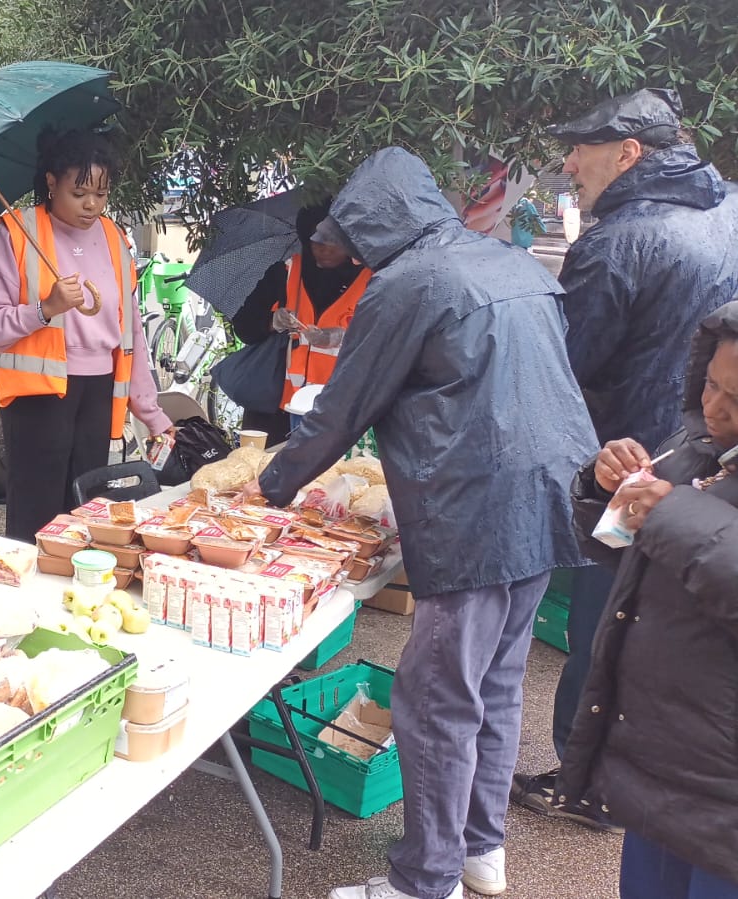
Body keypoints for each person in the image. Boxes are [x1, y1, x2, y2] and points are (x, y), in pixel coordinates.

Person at [242, 147, 595, 899]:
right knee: (495, 684)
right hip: (550, 495)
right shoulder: (516, 263)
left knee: (435, 701)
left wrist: (267, 487)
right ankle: (478, 849)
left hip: (473, 512)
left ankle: (423, 881)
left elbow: (342, 409)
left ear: (376, 225)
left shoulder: (409, 282)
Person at [512, 87, 738, 829]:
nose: (569, 162)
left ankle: (585, 783)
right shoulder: (729, 208)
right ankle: (644, 775)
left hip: (626, 466)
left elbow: (562, 361)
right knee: (679, 619)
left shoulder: (616, 240)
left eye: (581, 148)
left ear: (629, 152)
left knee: (605, 617)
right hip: (711, 456)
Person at [558, 302, 738, 899]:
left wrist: (672, 516)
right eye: (711, 384)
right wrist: (603, 488)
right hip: (662, 755)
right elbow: (623, 548)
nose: (715, 408)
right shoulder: (698, 449)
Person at [0, 128, 172, 540]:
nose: (91, 205)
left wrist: (152, 413)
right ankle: (27, 599)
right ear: (50, 182)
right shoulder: (16, 233)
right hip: (38, 397)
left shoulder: (115, 238)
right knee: (36, 517)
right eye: (79, 193)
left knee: (87, 512)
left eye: (101, 192)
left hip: (98, 394)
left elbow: (130, 333)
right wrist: (44, 309)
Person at [232, 201, 373, 443]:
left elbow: (387, 342)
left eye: (332, 242)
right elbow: (244, 326)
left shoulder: (373, 281)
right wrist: (272, 322)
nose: (323, 249)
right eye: (315, 241)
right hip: (277, 409)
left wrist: (341, 336)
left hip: (339, 410)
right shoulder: (285, 272)